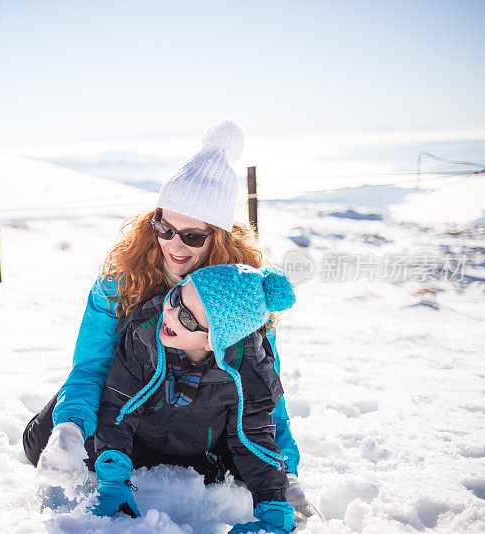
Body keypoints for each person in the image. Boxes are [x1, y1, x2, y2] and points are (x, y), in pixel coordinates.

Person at [22, 119, 318, 518]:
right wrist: (71, 428)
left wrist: (289, 473)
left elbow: (261, 391)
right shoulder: (119, 284)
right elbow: (91, 366)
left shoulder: (240, 295)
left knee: (249, 466)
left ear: (220, 237)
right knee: (39, 438)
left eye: (193, 236)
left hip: (200, 424)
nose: (174, 245)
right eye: (164, 227)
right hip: (125, 409)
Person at [89, 264, 296, 533]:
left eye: (187, 319)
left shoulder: (246, 368)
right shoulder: (145, 335)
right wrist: (113, 482)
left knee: (237, 469)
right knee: (65, 442)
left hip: (198, 453)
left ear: (215, 341)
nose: (170, 314)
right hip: (139, 442)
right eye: (176, 297)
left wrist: (275, 505)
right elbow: (119, 406)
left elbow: (252, 436)